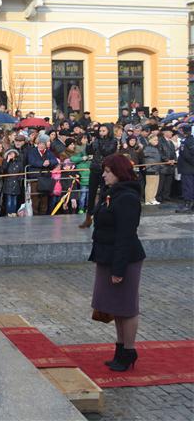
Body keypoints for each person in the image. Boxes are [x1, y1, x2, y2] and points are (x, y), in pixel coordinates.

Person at [89, 154, 146, 372]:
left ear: (119, 173)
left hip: (124, 259)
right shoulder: (111, 194)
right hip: (107, 256)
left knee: (126, 307)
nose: (104, 175)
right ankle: (120, 350)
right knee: (115, 307)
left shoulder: (128, 198)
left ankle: (129, 351)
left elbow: (125, 235)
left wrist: (118, 269)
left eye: (108, 171)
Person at [81, 124, 118, 228]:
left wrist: (99, 144)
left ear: (108, 131)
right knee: (91, 194)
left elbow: (108, 152)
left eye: (103, 130)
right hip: (95, 168)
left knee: (104, 193)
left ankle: (102, 216)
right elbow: (90, 152)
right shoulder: (96, 140)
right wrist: (89, 144)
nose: (101, 132)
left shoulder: (113, 141)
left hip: (105, 170)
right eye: (100, 130)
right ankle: (88, 219)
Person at [27, 134, 59, 216]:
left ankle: (43, 215)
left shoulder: (49, 152)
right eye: (40, 143)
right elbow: (31, 161)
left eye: (43, 144)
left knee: (44, 198)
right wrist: (42, 164)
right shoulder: (32, 151)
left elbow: (55, 161)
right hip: (35, 177)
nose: (41, 145)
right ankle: (35, 215)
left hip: (45, 178)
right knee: (35, 197)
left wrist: (49, 162)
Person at [176, 125, 194, 213]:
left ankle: (188, 204)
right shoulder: (192, 140)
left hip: (187, 168)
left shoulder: (186, 142)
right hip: (190, 168)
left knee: (187, 186)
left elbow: (186, 155)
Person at [156, 127, 176, 202]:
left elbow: (173, 153)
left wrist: (174, 160)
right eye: (170, 132)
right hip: (163, 166)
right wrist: (167, 160)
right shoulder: (160, 141)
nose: (172, 133)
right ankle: (159, 196)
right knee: (161, 182)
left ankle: (166, 196)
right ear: (165, 132)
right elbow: (160, 153)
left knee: (168, 182)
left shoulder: (170, 142)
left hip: (171, 165)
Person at [2, 148, 23, 217]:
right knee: (9, 200)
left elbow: (21, 172)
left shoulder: (19, 162)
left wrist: (19, 180)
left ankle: (13, 212)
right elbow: (3, 170)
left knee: (14, 200)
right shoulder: (5, 162)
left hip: (16, 183)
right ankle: (9, 212)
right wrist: (7, 160)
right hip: (8, 183)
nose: (11, 155)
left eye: (12, 153)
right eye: (10, 153)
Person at [142, 135, 161, 205]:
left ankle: (153, 198)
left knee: (155, 184)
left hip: (156, 168)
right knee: (150, 185)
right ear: (150, 140)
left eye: (157, 140)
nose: (156, 141)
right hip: (150, 168)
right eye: (155, 140)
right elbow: (145, 154)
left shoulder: (156, 148)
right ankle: (148, 199)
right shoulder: (147, 147)